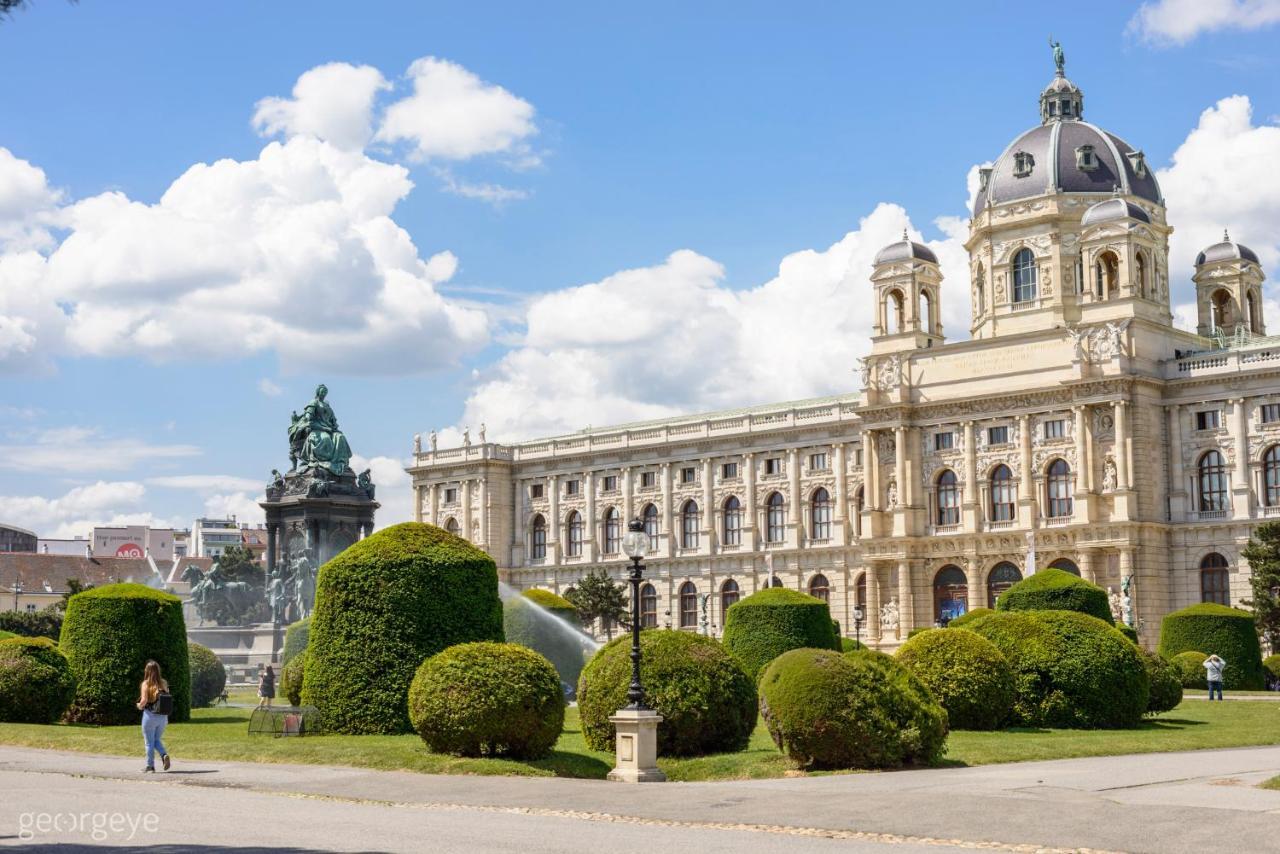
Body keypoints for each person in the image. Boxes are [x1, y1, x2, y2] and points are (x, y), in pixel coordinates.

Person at [135, 660, 172, 773]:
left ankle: (150, 766)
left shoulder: (146, 684)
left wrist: (138, 706)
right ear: (158, 670)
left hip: (150, 716)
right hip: (163, 717)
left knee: (149, 742)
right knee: (156, 740)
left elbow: (144, 701)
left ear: (147, 671)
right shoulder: (164, 683)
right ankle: (164, 755)